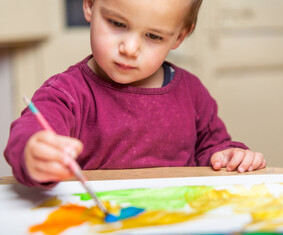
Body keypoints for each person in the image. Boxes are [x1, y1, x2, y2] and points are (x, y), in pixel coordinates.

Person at [4, 0, 266, 188]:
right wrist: (33, 152)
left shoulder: (192, 93)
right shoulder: (66, 93)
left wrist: (230, 155)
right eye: (117, 23)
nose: (130, 48)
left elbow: (213, 149)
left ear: (179, 37)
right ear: (89, 5)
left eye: (153, 36)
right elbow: (29, 132)